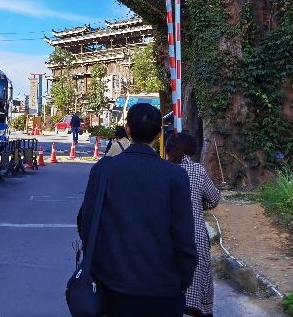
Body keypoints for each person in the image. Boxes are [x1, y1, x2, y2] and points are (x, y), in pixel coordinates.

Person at [77, 103, 197, 317]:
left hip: (114, 288)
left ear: (128, 129)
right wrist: (182, 280)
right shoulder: (175, 175)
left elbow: (86, 223)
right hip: (164, 290)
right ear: (160, 134)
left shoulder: (104, 169)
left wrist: (99, 269)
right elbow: (184, 236)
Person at [166, 132, 222, 317]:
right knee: (197, 285)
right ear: (191, 149)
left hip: (166, 236)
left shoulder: (163, 171)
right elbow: (214, 198)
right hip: (194, 235)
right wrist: (200, 205)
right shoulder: (198, 171)